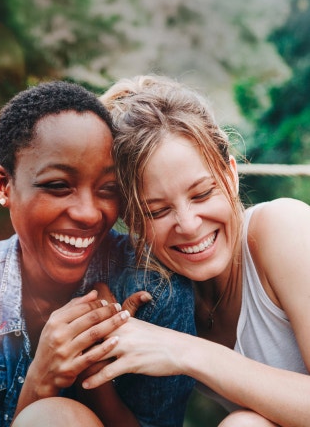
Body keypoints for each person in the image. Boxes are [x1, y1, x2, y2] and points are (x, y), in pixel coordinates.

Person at [0, 80, 196, 427]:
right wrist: (41, 378)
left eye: (108, 189)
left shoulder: (154, 289)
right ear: (3, 186)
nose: (88, 213)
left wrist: (95, 371)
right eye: (58, 186)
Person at [78, 74, 310, 427]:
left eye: (201, 194)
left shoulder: (283, 228)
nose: (188, 224)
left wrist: (186, 352)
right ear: (131, 221)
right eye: (156, 211)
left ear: (230, 174)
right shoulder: (159, 291)